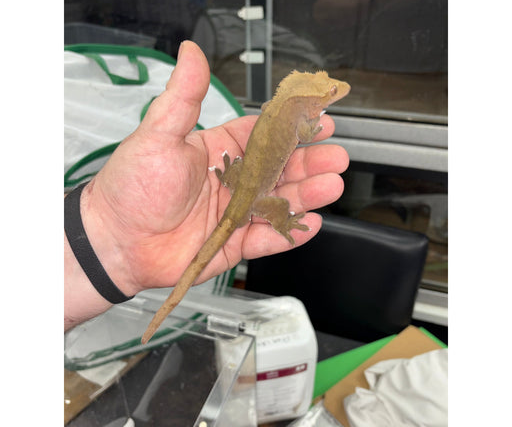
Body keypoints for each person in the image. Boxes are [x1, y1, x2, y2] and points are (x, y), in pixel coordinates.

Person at [64, 41, 349, 330]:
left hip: (242, 182)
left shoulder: (275, 107)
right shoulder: (298, 115)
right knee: (281, 207)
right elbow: (305, 134)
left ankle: (229, 178)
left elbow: (267, 107)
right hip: (253, 198)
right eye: (331, 91)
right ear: (310, 101)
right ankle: (281, 222)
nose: (339, 89)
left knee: (256, 185)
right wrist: (311, 126)